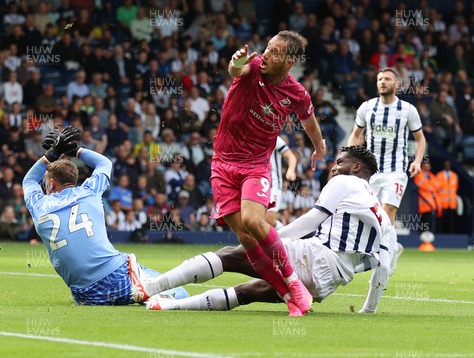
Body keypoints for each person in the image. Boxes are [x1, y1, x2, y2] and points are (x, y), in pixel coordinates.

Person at [144, 146, 392, 314]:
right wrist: (368, 309)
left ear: (357, 168)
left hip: (317, 258)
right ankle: (167, 307)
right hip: (329, 283)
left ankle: (150, 288)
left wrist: (268, 238)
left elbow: (312, 220)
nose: (334, 168)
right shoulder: (381, 213)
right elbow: (381, 265)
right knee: (250, 291)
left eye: (340, 162)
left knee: (233, 254)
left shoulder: (344, 181)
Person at [199, 30, 326, 316]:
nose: (267, 54)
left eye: (276, 51)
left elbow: (309, 121)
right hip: (221, 163)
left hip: (256, 165)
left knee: (254, 222)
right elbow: (236, 69)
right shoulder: (253, 66)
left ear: (290, 61)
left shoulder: (296, 93)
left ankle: (293, 284)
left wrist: (319, 147)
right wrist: (235, 62)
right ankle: (290, 295)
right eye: (268, 47)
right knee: (246, 238)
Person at [23, 127, 188, 305]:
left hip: (84, 294)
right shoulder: (90, 191)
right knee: (181, 292)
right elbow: (104, 163)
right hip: (116, 277)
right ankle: (149, 291)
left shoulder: (39, 206)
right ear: (74, 180)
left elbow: (29, 180)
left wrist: (52, 153)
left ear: (52, 182)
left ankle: (143, 290)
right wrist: (75, 150)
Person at [348, 66, 427, 274]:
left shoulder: (407, 110)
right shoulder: (367, 107)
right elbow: (356, 135)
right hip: (371, 171)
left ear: (396, 84)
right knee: (370, 213)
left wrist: (417, 161)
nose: (383, 82)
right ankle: (393, 247)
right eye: (380, 79)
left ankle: (386, 256)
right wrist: (350, 158)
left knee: (387, 210)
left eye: (388, 79)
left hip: (396, 170)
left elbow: (420, 139)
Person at [266, 137, 297, 229]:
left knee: (269, 220)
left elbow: (291, 157)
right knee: (254, 219)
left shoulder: (274, 138)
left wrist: (291, 170)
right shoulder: (251, 137)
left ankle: (285, 237)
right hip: (256, 184)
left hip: (273, 185)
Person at [435, 160, 458, 233]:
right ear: (443, 166)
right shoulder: (439, 175)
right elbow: (436, 189)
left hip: (452, 204)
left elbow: (456, 188)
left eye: (448, 165)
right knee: (441, 222)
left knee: (451, 222)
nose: (447, 166)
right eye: (446, 164)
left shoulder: (454, 176)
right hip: (442, 204)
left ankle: (450, 237)